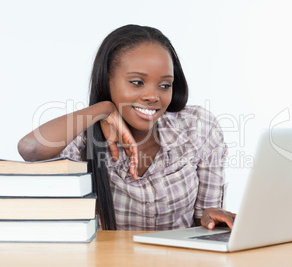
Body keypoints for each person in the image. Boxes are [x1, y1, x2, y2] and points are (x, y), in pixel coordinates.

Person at [18, 24, 235, 231]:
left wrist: (209, 219)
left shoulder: (198, 127)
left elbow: (203, 221)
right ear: (108, 79)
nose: (153, 96)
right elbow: (31, 149)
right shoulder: (82, 137)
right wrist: (103, 108)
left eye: (165, 85)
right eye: (137, 82)